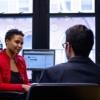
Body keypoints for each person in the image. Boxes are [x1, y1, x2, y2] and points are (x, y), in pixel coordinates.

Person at [0, 29, 31, 93]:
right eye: (17, 42)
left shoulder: (21, 60)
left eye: (21, 43)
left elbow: (26, 82)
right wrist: (22, 86)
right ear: (7, 41)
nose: (20, 46)